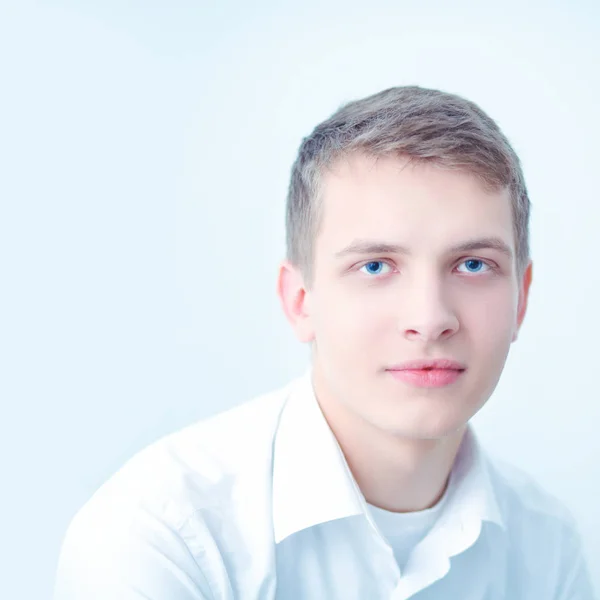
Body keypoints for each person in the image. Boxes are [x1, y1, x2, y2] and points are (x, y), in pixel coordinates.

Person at [53, 86, 596, 599]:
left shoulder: (548, 550)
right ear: (300, 301)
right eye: (376, 265)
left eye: (473, 264)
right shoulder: (161, 535)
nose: (430, 319)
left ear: (521, 300)